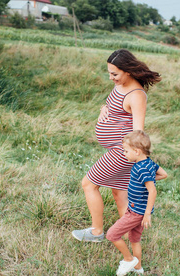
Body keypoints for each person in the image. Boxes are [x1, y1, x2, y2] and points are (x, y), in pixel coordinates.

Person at [72, 49, 161, 242]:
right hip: (118, 150)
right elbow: (116, 107)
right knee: (120, 193)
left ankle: (96, 232)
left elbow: (138, 132)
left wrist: (139, 159)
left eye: (115, 74)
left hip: (122, 152)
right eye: (109, 73)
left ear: (128, 71)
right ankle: (132, 239)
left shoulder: (136, 95)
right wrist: (105, 108)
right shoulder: (121, 85)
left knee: (88, 184)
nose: (111, 78)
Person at [106, 130, 167, 276]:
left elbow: (152, 191)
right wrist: (146, 182)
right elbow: (164, 174)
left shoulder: (142, 168)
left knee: (112, 235)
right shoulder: (149, 163)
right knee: (135, 239)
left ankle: (128, 259)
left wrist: (147, 215)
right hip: (137, 210)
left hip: (136, 212)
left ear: (137, 151)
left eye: (126, 151)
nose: (124, 154)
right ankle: (138, 267)